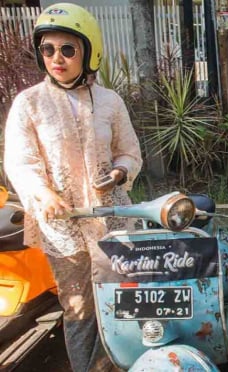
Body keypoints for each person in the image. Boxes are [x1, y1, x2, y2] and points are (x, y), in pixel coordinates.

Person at [3, 3, 142, 370]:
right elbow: (19, 161)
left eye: (68, 49)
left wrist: (118, 174)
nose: (56, 58)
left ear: (88, 51)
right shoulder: (28, 104)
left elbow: (129, 153)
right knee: (79, 309)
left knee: (119, 300)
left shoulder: (110, 101)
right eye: (48, 49)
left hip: (111, 220)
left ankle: (122, 364)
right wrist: (43, 194)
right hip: (62, 227)